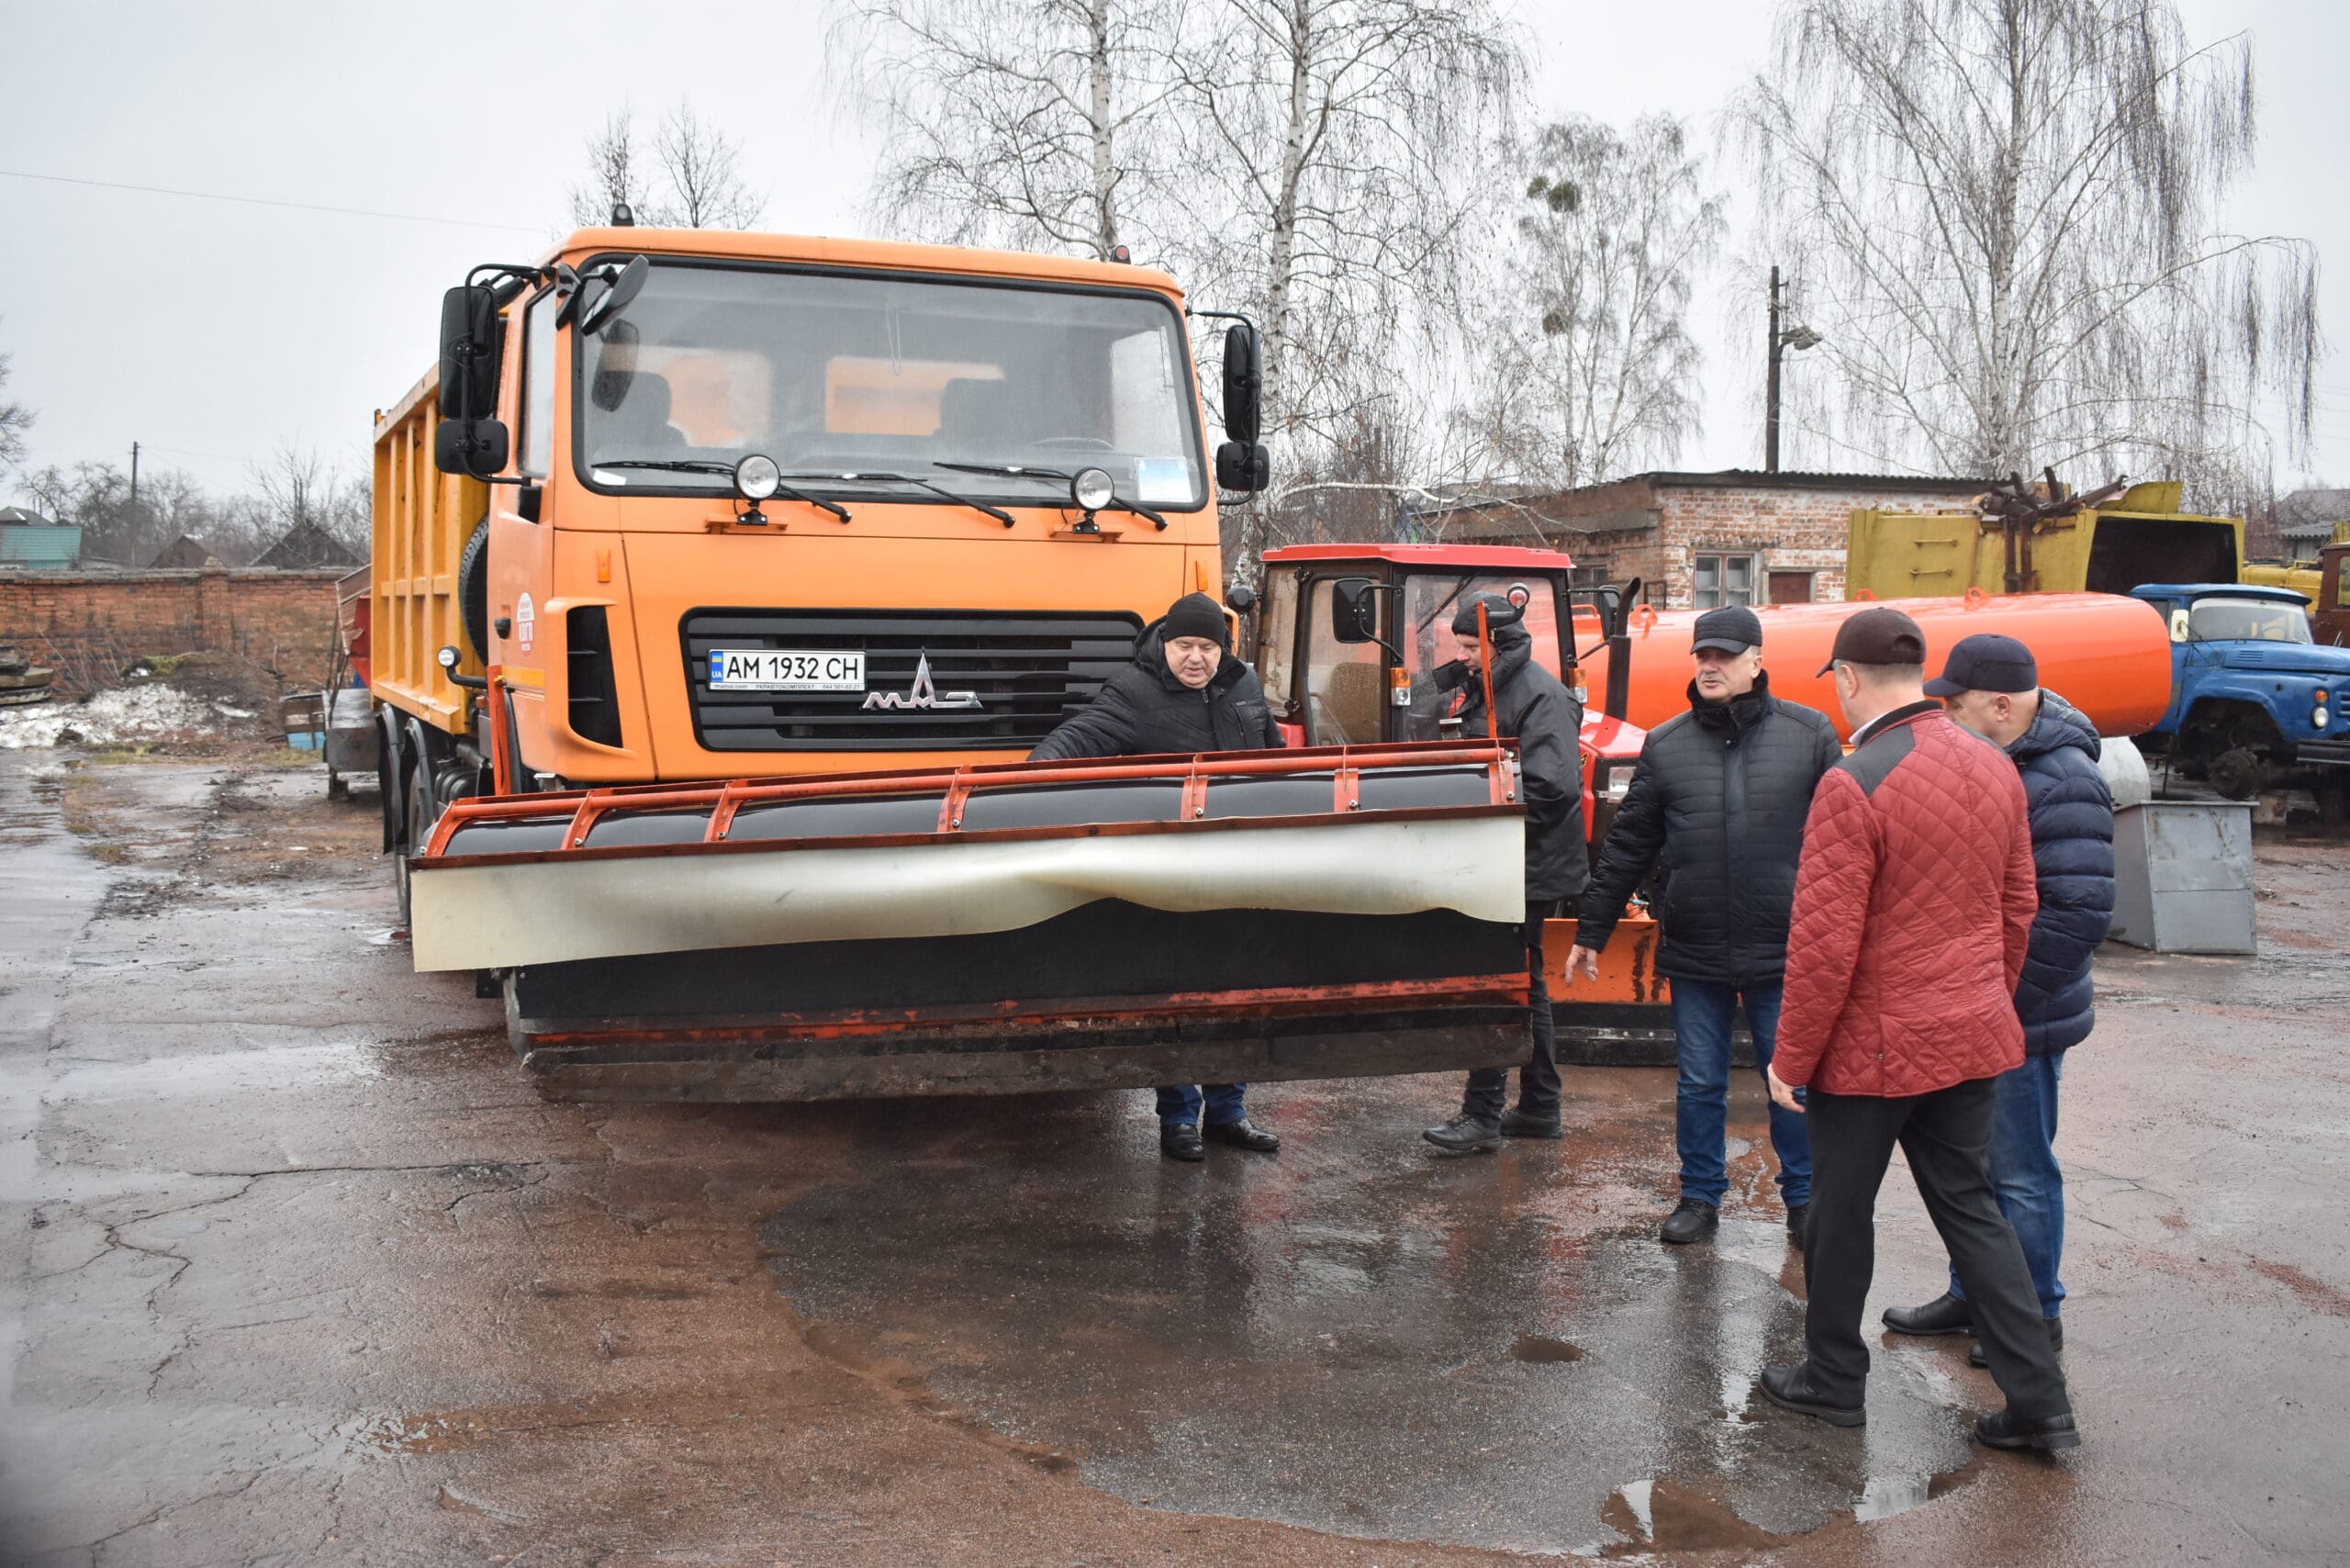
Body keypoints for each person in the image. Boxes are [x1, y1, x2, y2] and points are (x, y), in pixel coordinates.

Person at [1760, 607, 2079, 1452]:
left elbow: (1823, 944)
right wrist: (1984, 995)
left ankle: (1832, 1382)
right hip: (1969, 1035)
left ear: (1850, 679)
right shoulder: (1993, 766)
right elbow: (2020, 905)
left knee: (1839, 1212)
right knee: (1974, 1211)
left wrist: (1789, 1058)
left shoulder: (1853, 781)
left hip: (1871, 1049)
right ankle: (2041, 1404)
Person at [1565, 604, 1841, 1245]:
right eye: (1702, 655)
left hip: (1784, 945)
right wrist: (1590, 931)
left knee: (1791, 1079)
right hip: (1697, 944)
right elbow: (1628, 845)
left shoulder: (1810, 735)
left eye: (1724, 655)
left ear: (1757, 662)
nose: (1710, 665)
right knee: (1698, 1081)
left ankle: (1805, 1201)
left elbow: (1845, 846)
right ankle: (1699, 1197)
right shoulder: (1666, 744)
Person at [1884, 633, 2115, 1367]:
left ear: (2003, 704)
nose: (1945, 716)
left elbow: (2076, 912)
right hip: (1984, 1008)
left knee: (2019, 1171)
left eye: (1955, 704)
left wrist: (2000, 1001)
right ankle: (1974, 1292)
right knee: (1976, 1171)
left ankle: (2035, 1316)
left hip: (2024, 1015)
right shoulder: (1998, 763)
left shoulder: (2063, 777)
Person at [1030, 591, 1286, 1162]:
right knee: (1176, 993)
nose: (1196, 659)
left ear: (1224, 649)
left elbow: (1276, 755)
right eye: (1184, 646)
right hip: (1169, 872)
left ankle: (1229, 1113)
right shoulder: (1134, 691)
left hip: (1240, 863)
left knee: (1235, 992)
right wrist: (1027, 784)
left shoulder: (1243, 685)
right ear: (1164, 644)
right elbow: (1073, 742)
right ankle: (1177, 1120)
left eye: (1207, 647)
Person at [1422, 592, 1587, 1155]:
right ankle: (1540, 1107)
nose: (1463, 656)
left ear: (1495, 642)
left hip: (1520, 861)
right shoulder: (1496, 686)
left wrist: (1483, 821)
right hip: (1518, 858)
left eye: (1470, 646)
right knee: (1525, 979)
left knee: (1498, 980)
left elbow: (1552, 787)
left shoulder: (1538, 695)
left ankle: (1483, 1116)